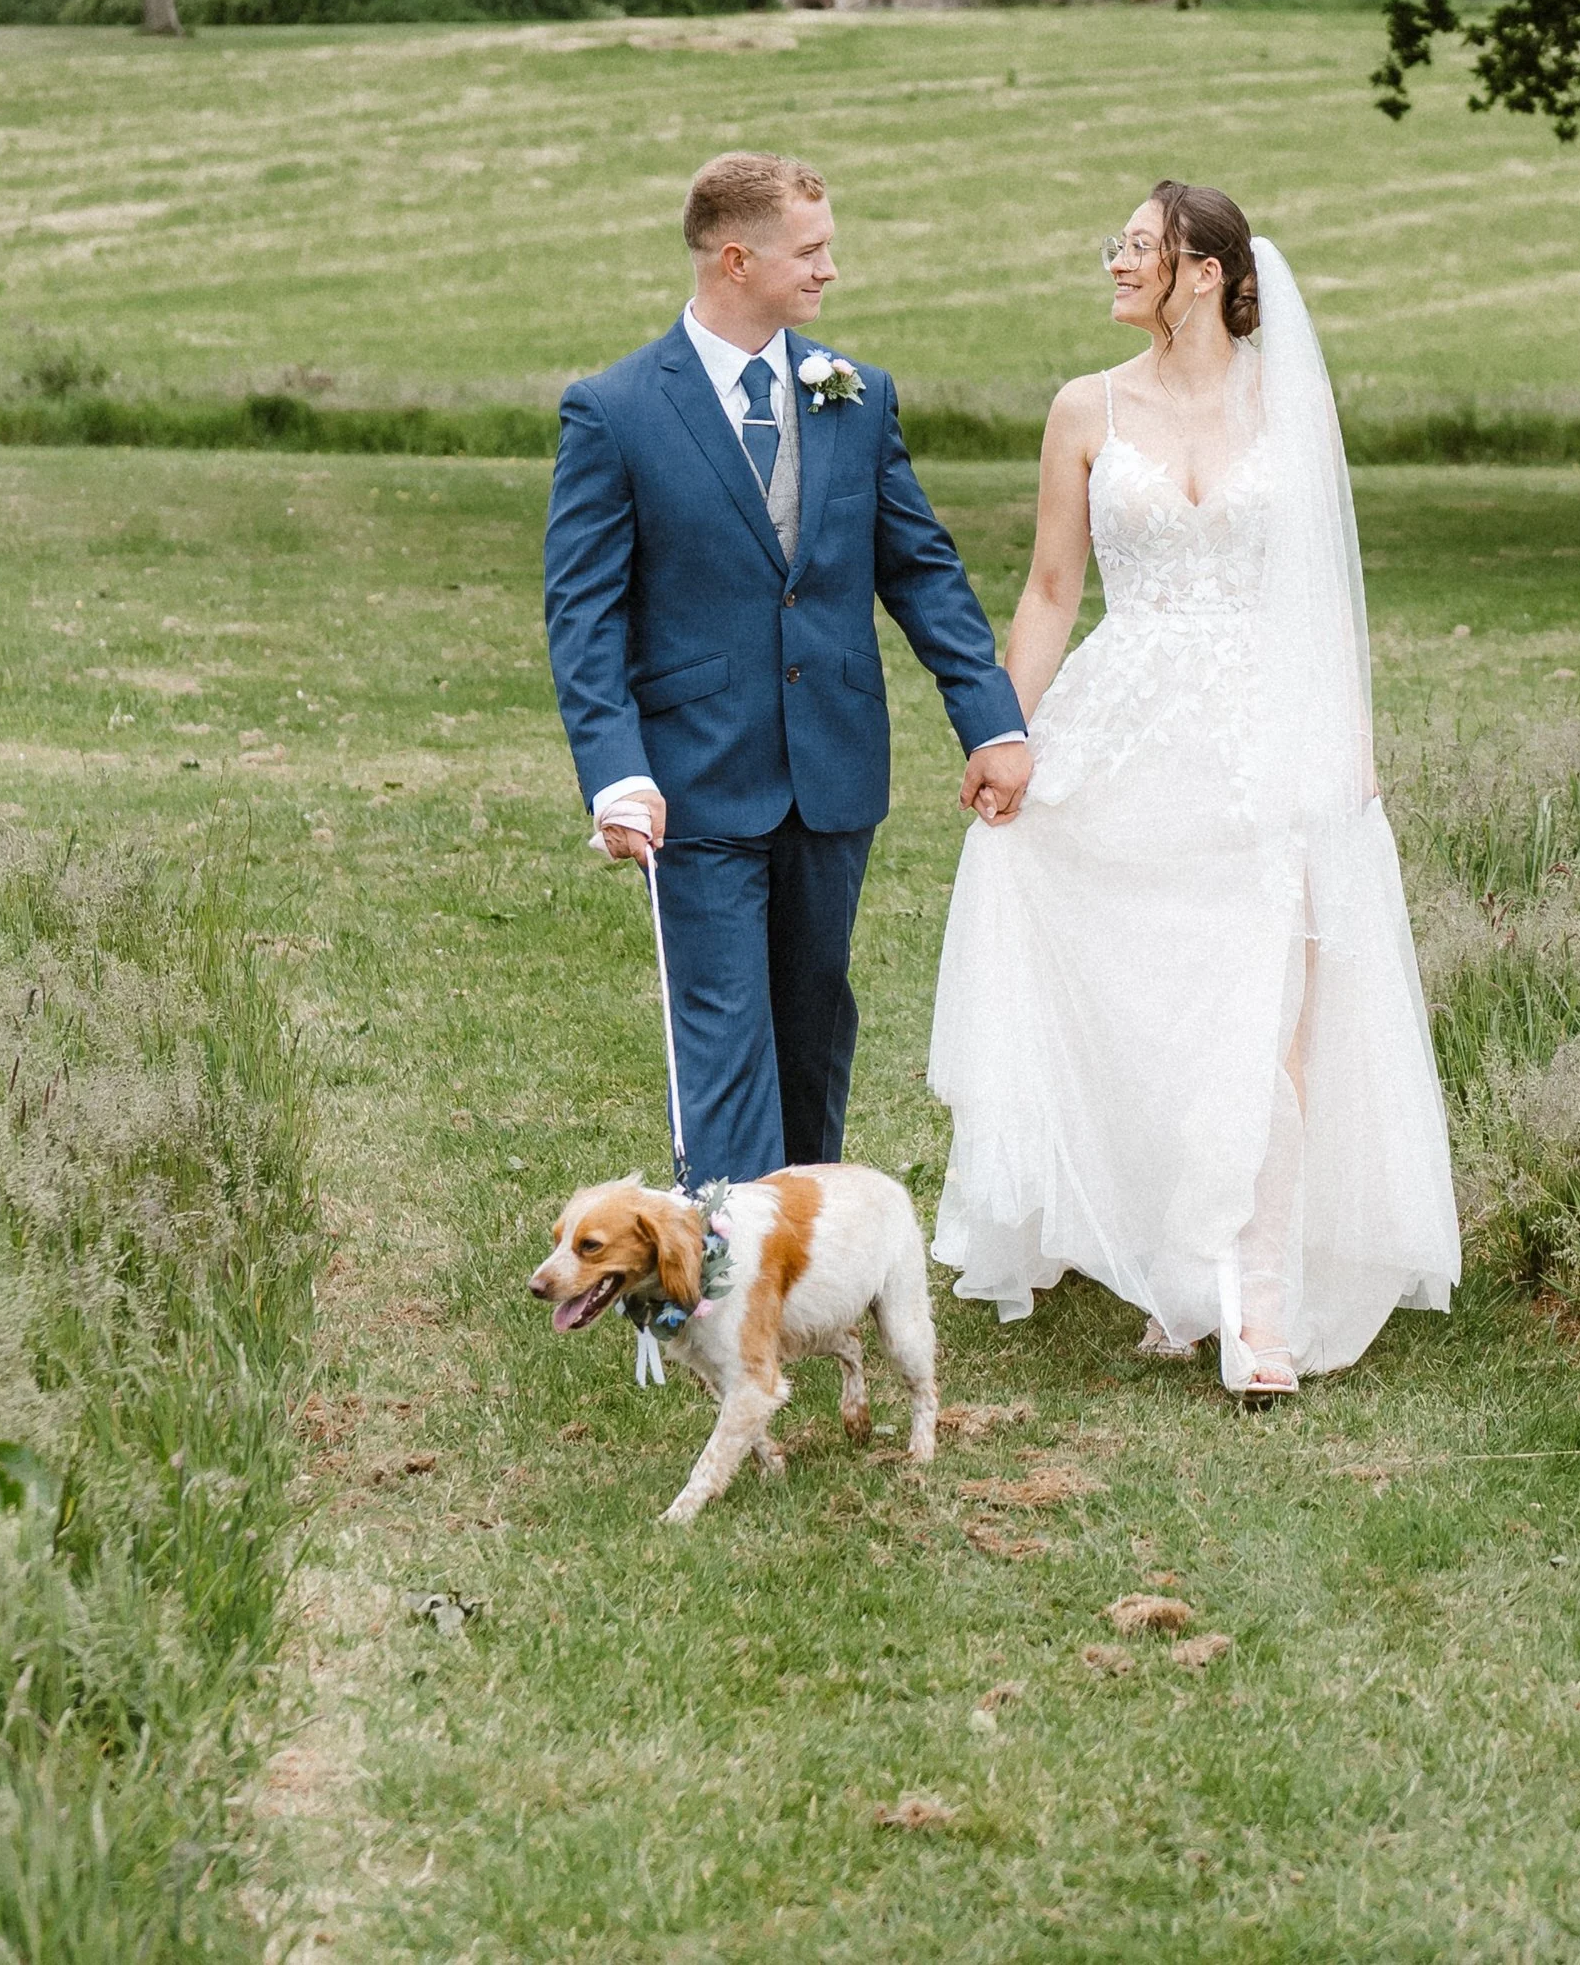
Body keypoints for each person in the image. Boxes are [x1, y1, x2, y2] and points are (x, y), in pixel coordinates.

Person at [930, 180, 1459, 1395]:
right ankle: (1172, 1260)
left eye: (1135, 249)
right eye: (1115, 248)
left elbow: (1323, 591)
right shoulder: (1082, 407)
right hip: (1127, 725)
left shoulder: (1290, 405)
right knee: (1150, 1003)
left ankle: (1255, 1301)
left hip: (1270, 734)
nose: (1113, 265)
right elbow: (1053, 591)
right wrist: (1003, 732)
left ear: (1206, 271)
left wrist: (1349, 745)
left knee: (1269, 1015)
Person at [545, 150, 1029, 1183]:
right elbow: (582, 614)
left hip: (834, 770)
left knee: (813, 1027)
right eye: (810, 252)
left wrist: (990, 721)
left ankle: (803, 1254)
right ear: (735, 259)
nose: (830, 272)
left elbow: (921, 567)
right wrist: (616, 772)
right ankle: (726, 1280)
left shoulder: (854, 393)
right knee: (723, 1036)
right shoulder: (615, 410)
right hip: (696, 781)